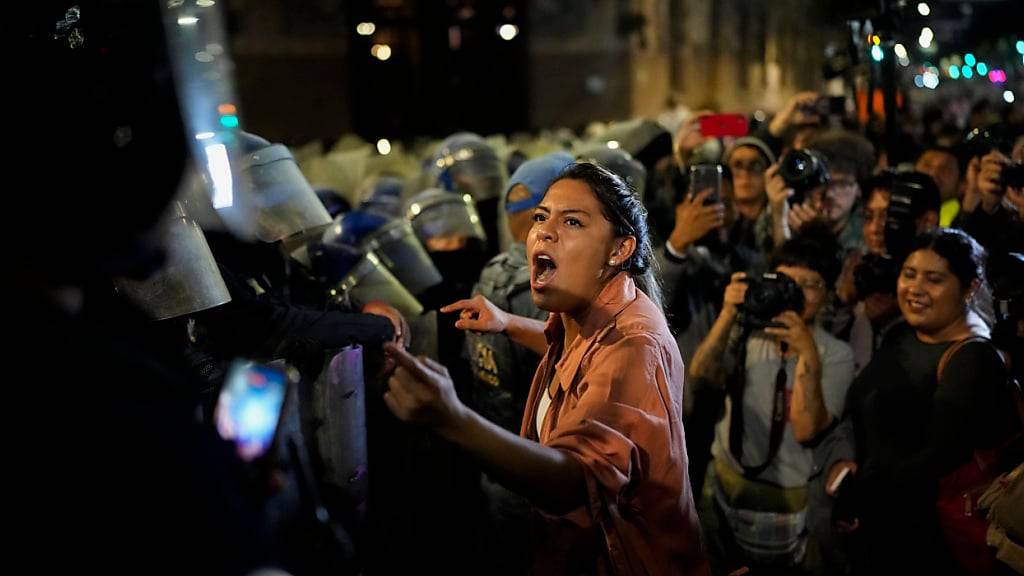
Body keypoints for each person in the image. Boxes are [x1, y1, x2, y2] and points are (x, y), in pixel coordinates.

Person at [383, 162, 708, 575]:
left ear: (619, 249)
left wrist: (452, 418)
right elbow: (578, 352)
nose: (545, 231)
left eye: (572, 221)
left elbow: (578, 481)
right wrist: (508, 323)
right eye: (541, 216)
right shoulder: (589, 318)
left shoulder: (635, 345)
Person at [820, 228, 1023, 575]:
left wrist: (860, 495)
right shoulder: (900, 333)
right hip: (877, 530)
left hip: (928, 545)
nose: (915, 288)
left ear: (970, 287)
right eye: (909, 274)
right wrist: (843, 461)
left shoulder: (973, 360)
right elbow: (858, 408)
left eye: (934, 279)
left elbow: (931, 461)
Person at [688, 224, 854, 575]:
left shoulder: (835, 353)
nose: (793, 293)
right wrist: (729, 313)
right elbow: (701, 379)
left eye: (809, 285)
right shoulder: (749, 330)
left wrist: (807, 354)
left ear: (827, 294)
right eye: (783, 281)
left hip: (785, 503)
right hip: (721, 486)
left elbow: (808, 430)